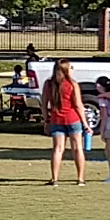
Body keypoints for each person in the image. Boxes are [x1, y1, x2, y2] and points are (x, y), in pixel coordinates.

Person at [41, 58, 91, 186]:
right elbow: (78, 105)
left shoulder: (48, 84)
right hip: (73, 119)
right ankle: (80, 178)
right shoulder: (72, 84)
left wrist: (46, 120)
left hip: (56, 119)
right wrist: (85, 123)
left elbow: (44, 104)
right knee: (77, 149)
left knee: (57, 149)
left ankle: (54, 179)